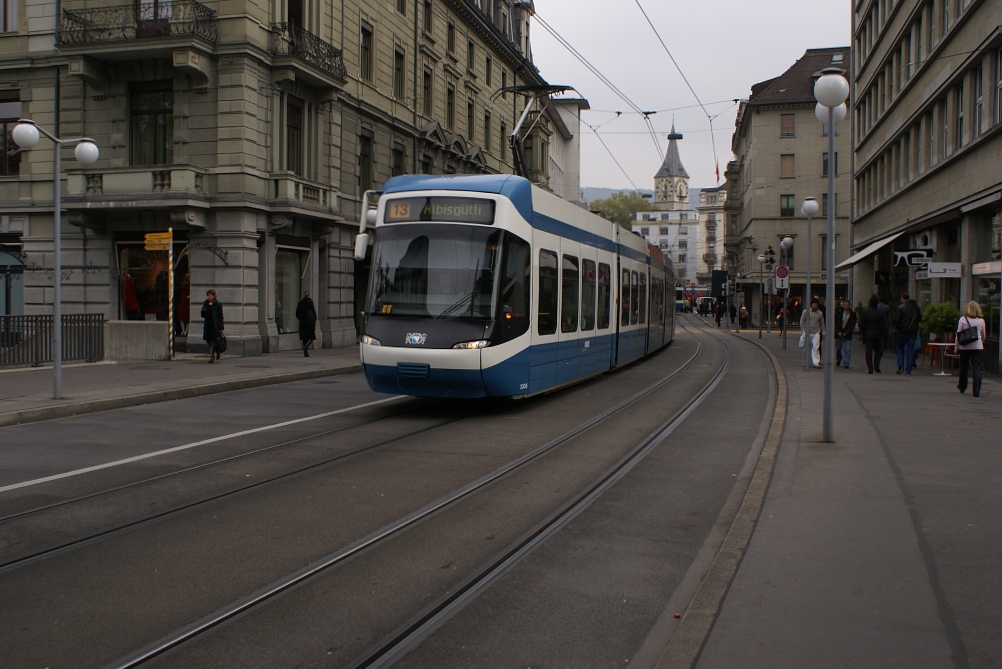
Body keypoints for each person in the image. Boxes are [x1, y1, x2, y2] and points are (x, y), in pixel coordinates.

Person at [955, 301, 987, 397]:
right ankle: (976, 391)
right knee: (976, 368)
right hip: (977, 347)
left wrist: (956, 347)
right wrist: (981, 341)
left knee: (963, 367)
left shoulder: (963, 319)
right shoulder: (981, 321)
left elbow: (958, 335)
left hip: (964, 347)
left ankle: (962, 386)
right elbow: (983, 335)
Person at [892, 292, 922, 375]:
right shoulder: (916, 308)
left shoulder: (900, 308)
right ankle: (908, 370)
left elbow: (896, 320)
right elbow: (919, 319)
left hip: (902, 331)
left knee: (900, 348)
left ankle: (900, 366)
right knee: (910, 350)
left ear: (902, 298)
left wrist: (898, 327)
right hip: (912, 332)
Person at [860, 295, 888, 374]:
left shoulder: (865, 312)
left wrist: (863, 333)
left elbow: (862, 325)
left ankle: (870, 368)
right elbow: (884, 325)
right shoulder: (880, 313)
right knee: (878, 351)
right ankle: (877, 366)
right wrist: (882, 333)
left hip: (868, 333)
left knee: (869, 351)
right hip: (878, 334)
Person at [201, 289, 224, 363]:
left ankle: (212, 356)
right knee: (208, 340)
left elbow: (220, 316)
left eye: (210, 295)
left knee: (214, 340)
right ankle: (216, 351)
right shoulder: (205, 303)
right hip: (208, 324)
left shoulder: (217, 304)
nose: (208, 297)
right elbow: (203, 315)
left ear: (213, 296)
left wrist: (221, 327)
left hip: (215, 325)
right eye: (208, 295)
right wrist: (203, 311)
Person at [834, 299, 857, 369]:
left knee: (847, 348)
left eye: (847, 305)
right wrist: (838, 331)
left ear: (849, 305)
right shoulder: (839, 312)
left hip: (847, 334)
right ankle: (839, 359)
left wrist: (846, 332)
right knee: (838, 348)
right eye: (845, 305)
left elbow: (853, 325)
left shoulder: (852, 314)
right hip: (839, 333)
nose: (846, 306)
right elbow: (835, 323)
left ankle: (846, 362)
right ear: (843, 305)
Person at [295, 290, 318, 357]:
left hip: (302, 321)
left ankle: (306, 352)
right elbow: (313, 311)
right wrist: (315, 319)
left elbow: (297, 313)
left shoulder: (300, 302)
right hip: (309, 322)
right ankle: (306, 347)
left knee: (304, 337)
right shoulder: (310, 302)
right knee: (311, 336)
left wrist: (301, 318)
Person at [807, 298, 824, 368]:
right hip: (807, 332)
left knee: (816, 347)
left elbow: (822, 323)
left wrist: (823, 331)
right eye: (814, 304)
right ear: (811, 304)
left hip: (816, 332)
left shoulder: (820, 313)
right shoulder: (806, 311)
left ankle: (816, 362)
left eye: (816, 304)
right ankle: (805, 360)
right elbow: (802, 321)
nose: (815, 306)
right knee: (806, 347)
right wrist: (803, 330)